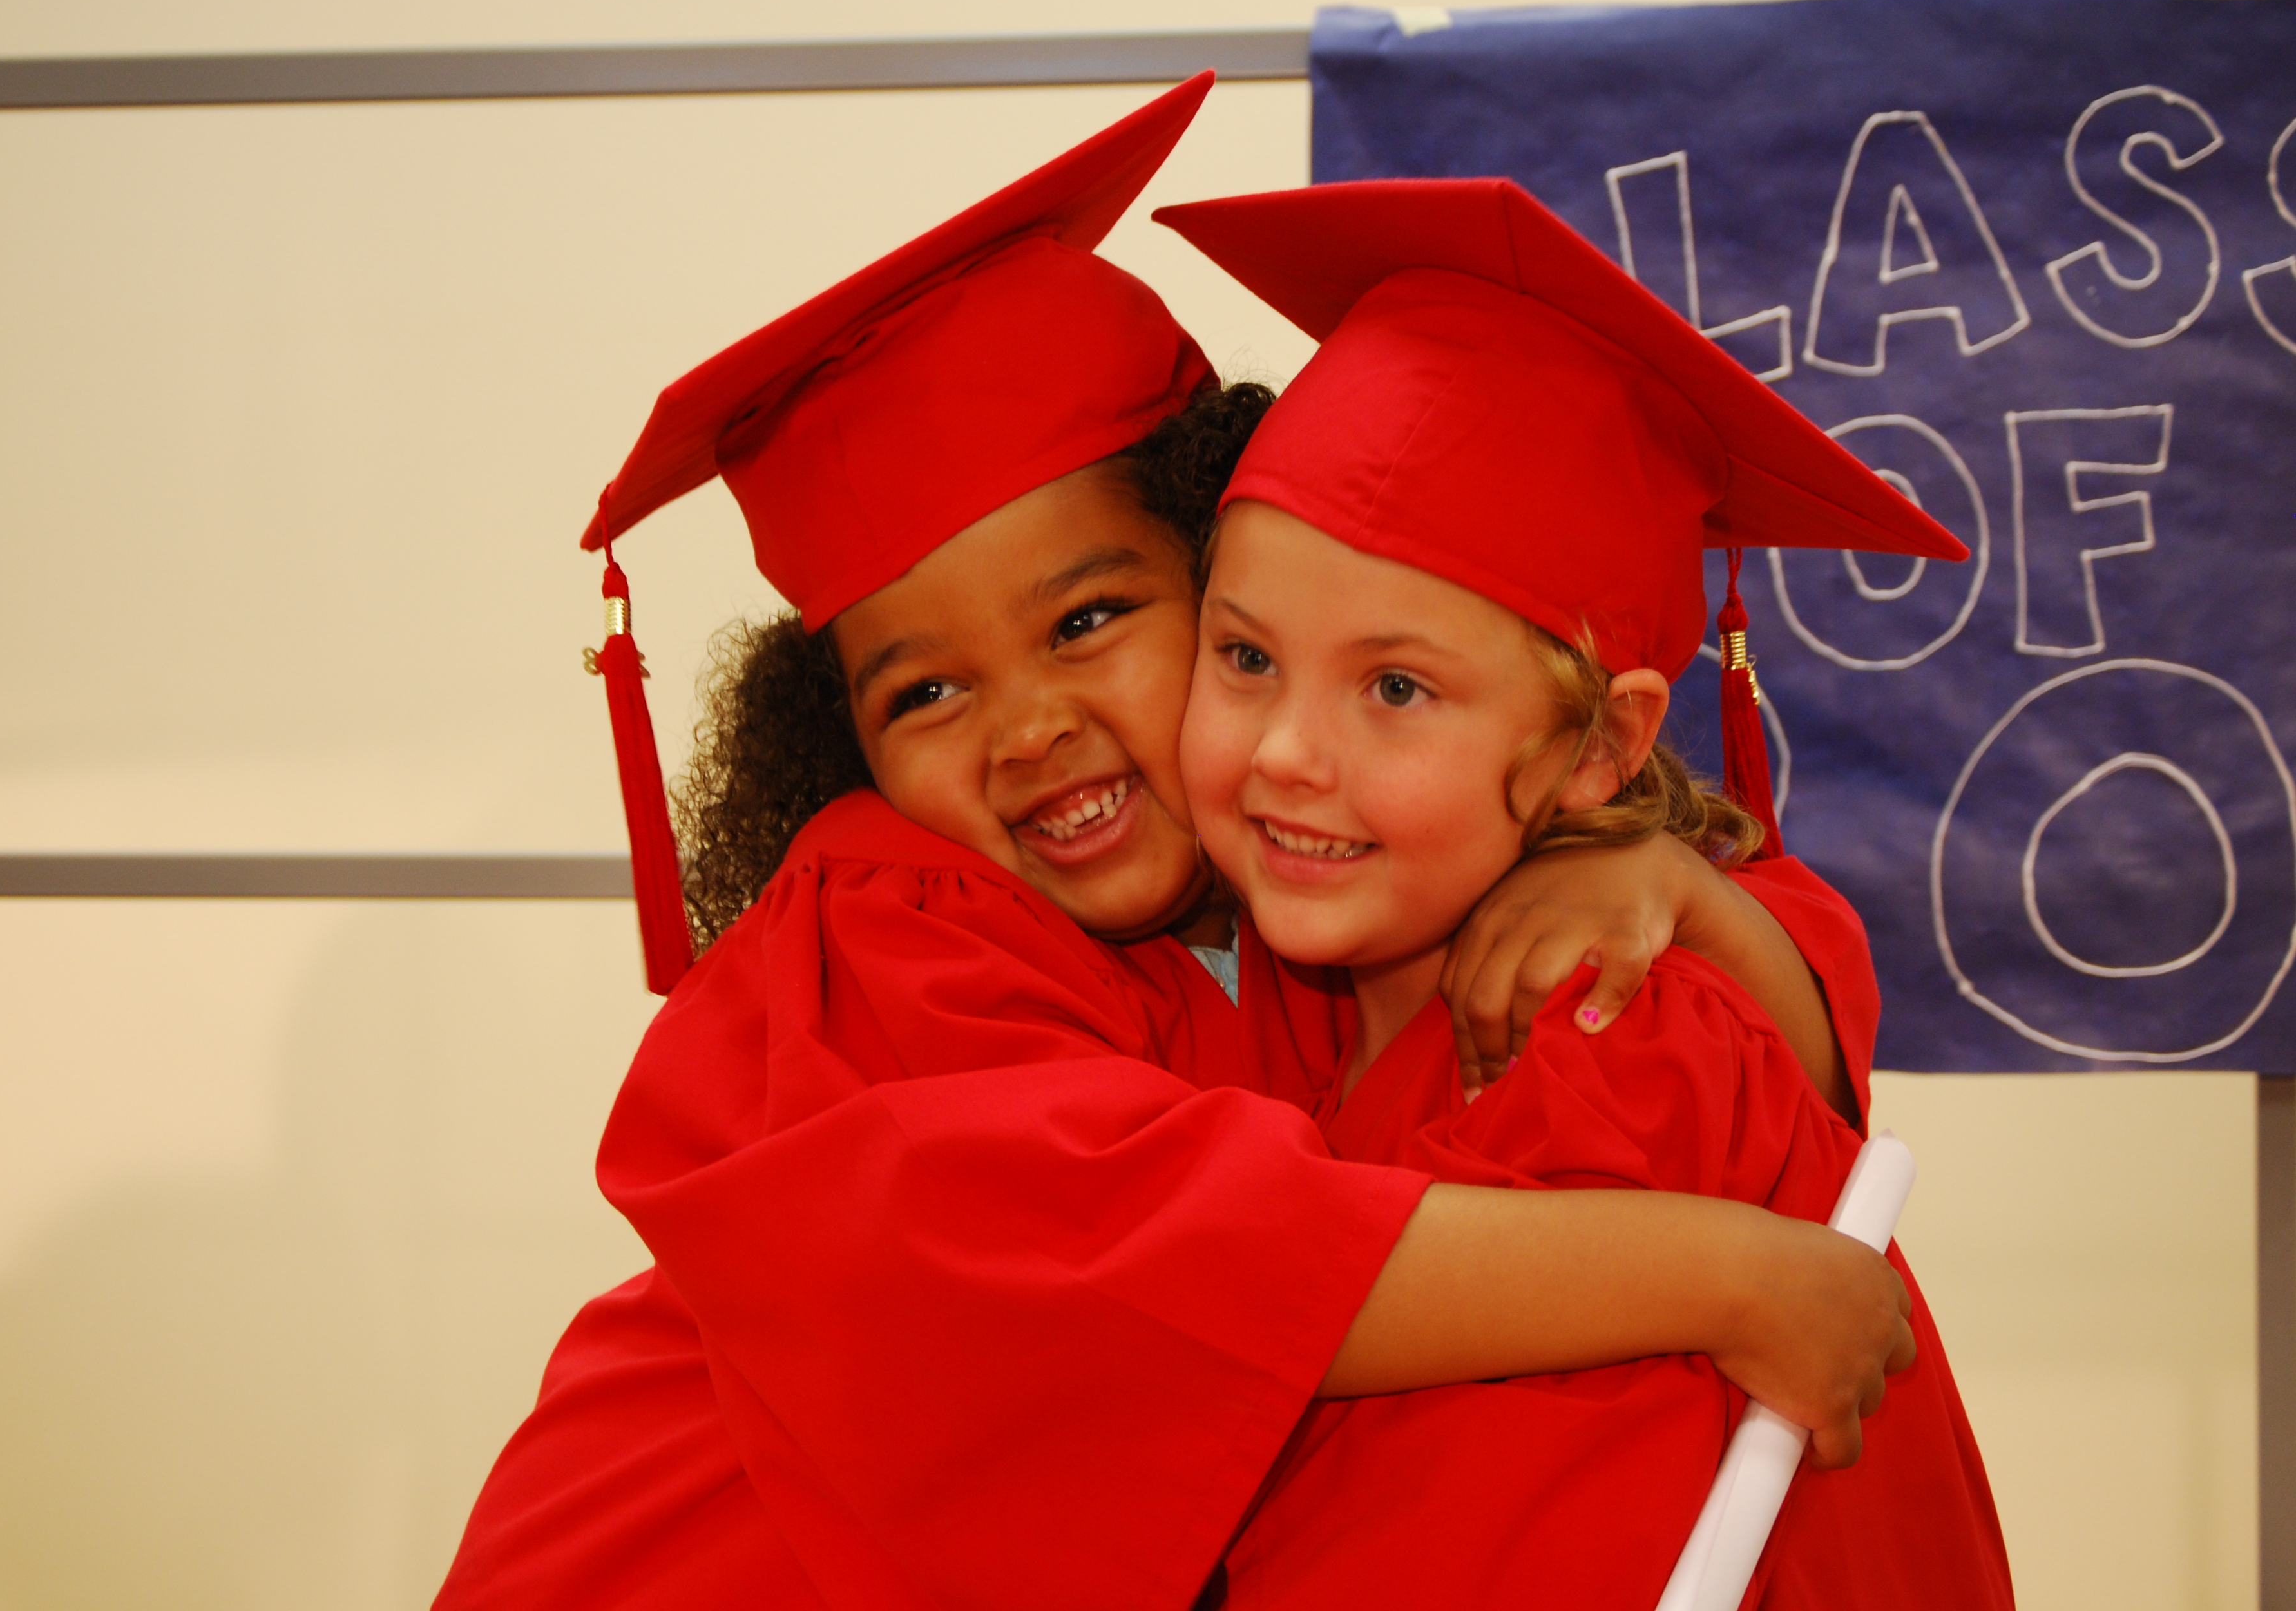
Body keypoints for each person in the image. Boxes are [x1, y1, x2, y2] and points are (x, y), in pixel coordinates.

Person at [435, 81, 1913, 1610]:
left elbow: (1799, 1005)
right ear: (844, 744)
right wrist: (1730, 1276)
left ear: (1225, 582)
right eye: (923, 691)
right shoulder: (880, 935)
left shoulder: (1292, 900)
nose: (1025, 732)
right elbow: (1182, 1265)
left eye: (1089, 622)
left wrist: (1673, 887)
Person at [1157, 176, 2014, 1607]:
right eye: (1243, 657)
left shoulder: (1611, 1044)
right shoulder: (1281, 991)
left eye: (1396, 687)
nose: (1288, 754)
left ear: (1601, 745)